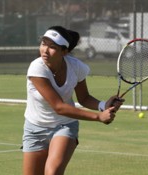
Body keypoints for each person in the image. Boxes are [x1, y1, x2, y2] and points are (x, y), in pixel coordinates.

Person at [22, 25, 124, 175]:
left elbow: (84, 98)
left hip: (64, 125)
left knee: (52, 172)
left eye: (52, 47)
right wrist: (99, 117)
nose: (45, 50)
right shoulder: (36, 68)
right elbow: (59, 107)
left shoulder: (76, 67)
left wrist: (103, 105)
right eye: (43, 44)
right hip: (35, 128)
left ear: (65, 51)